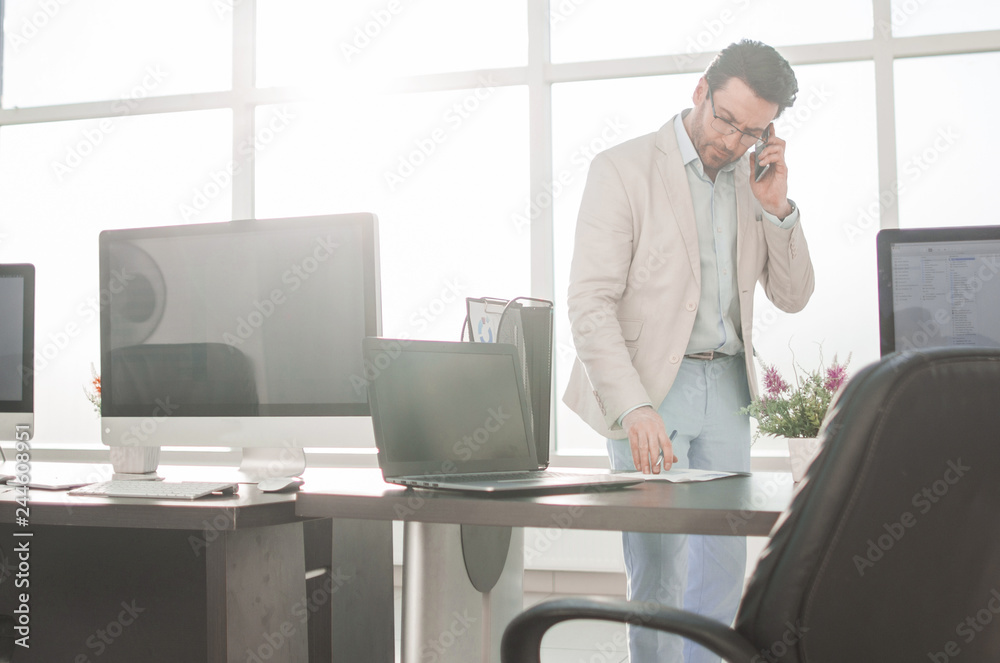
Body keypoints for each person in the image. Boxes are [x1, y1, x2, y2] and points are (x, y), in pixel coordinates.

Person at [563, 40, 814, 662]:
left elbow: (793, 294)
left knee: (725, 572)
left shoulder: (753, 182)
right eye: (726, 119)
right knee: (658, 576)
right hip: (651, 391)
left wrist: (777, 208)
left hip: (728, 391)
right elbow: (589, 303)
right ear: (701, 90)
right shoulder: (622, 169)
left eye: (751, 131)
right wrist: (634, 409)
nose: (732, 142)